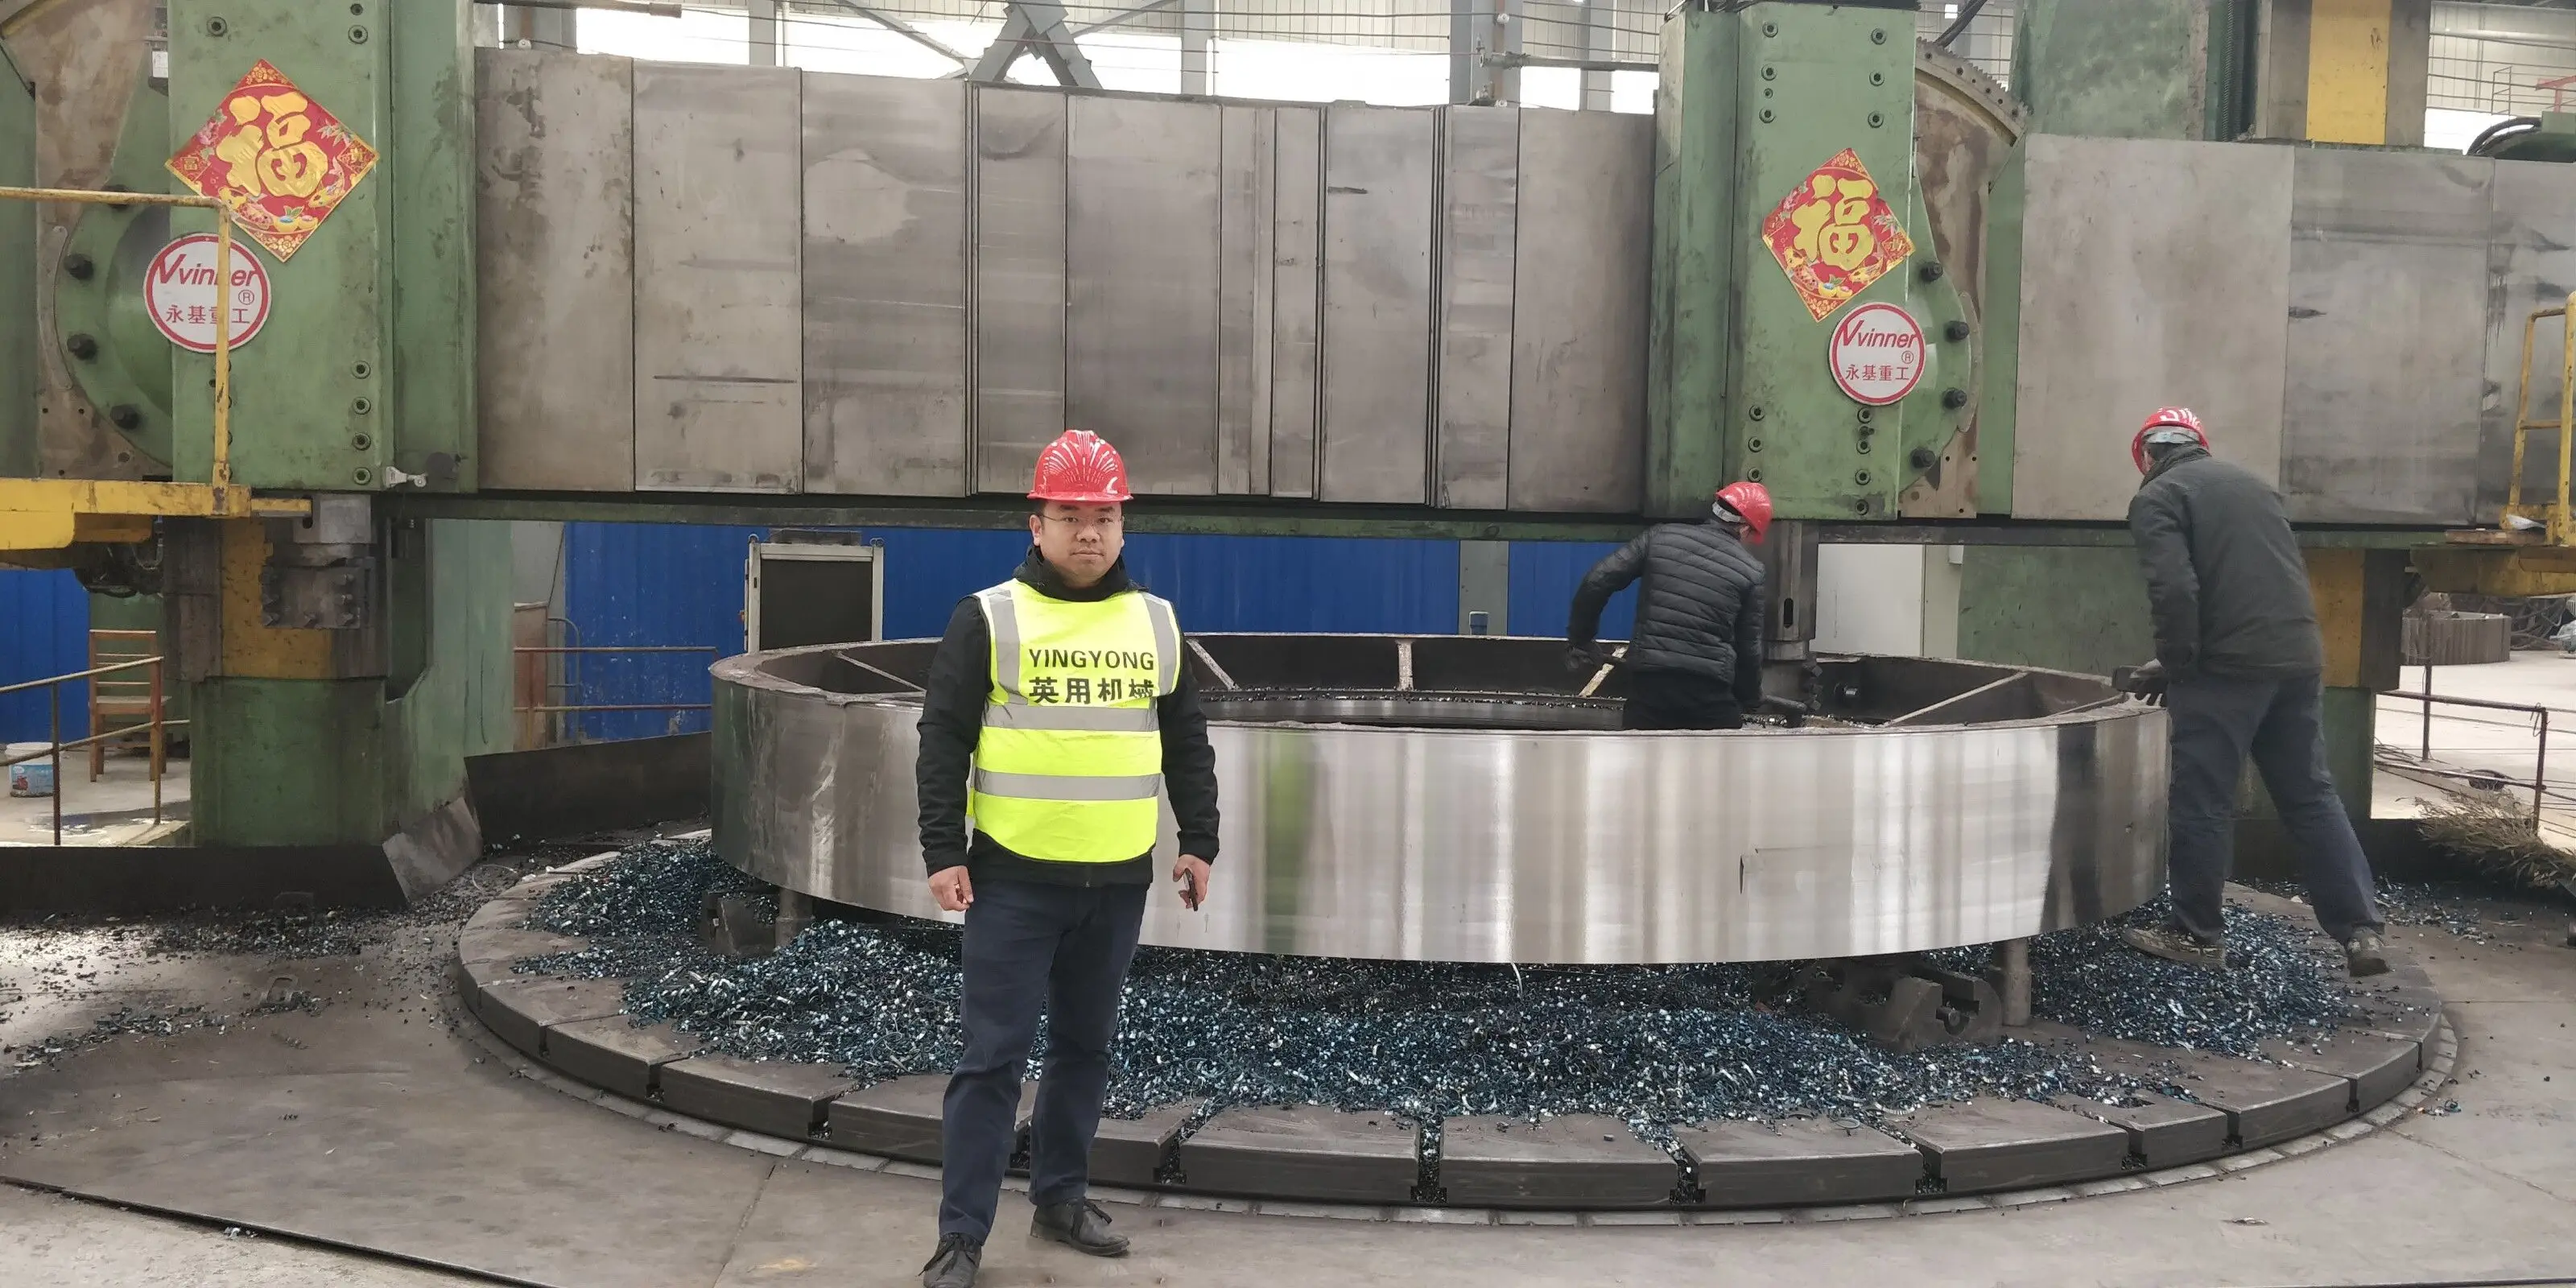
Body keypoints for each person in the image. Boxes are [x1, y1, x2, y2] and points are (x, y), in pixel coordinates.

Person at [912, 429, 1220, 1288]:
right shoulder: (989, 617)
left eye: (1104, 516)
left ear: (1123, 524)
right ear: (1036, 524)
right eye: (1071, 515)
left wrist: (1198, 840)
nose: (1089, 532)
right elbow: (943, 738)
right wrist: (943, 849)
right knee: (991, 1060)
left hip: (1117, 881)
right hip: (1012, 880)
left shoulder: (1155, 623)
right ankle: (962, 1235)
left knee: (1084, 1049)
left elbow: (1185, 741)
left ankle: (1060, 1199)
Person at [2118, 407, 2388, 977]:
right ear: (2198, 443)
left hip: (2226, 672)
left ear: (2147, 455)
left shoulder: (2159, 498)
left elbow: (2175, 590)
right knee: (2310, 796)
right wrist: (2173, 663)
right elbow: (2256, 585)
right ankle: (2360, 929)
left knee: (2203, 800)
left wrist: (2178, 665)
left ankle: (2196, 934)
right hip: (2296, 661)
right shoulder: (2256, 488)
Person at [1565, 481, 1776, 731]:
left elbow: (1597, 581)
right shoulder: (1751, 571)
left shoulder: (1660, 537)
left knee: (1641, 755)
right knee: (1724, 754)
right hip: (1708, 692)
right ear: (1746, 528)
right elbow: (1748, 647)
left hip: (1650, 689)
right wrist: (1750, 696)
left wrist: (1582, 639)